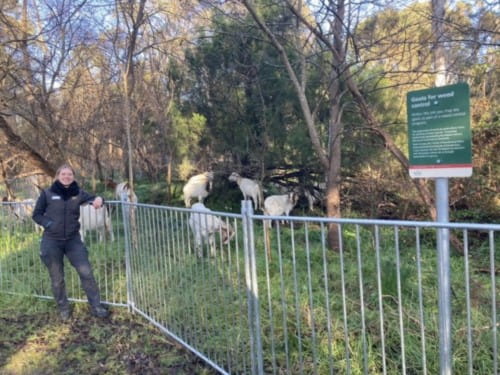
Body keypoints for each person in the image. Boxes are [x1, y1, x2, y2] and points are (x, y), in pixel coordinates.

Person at [32, 164, 110, 320]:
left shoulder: (78, 193)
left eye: (70, 174)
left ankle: (96, 306)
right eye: (63, 174)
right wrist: (49, 224)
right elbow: (37, 215)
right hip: (52, 241)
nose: (67, 177)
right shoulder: (47, 194)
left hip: (73, 241)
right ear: (58, 176)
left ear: (73, 177)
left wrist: (100, 199)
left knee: (86, 273)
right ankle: (63, 309)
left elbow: (94, 198)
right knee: (57, 278)